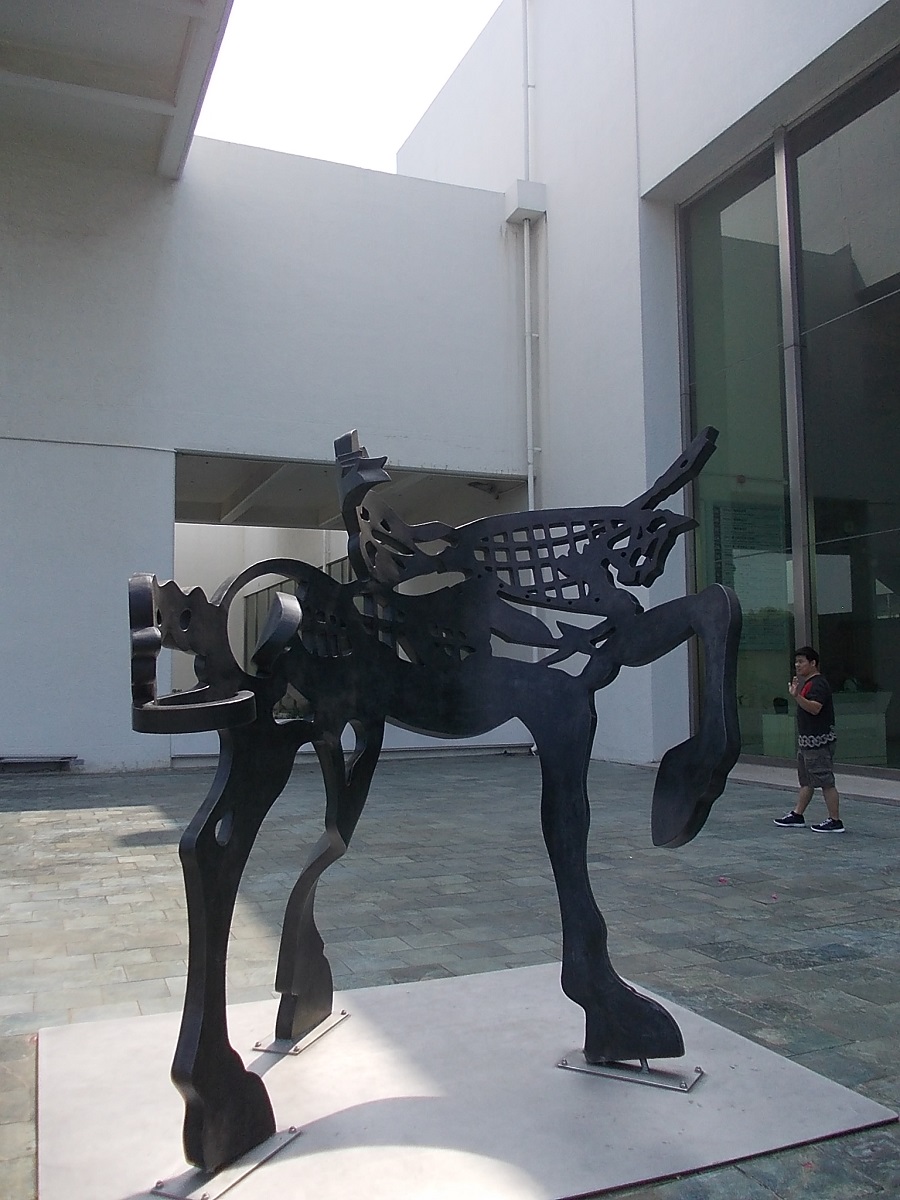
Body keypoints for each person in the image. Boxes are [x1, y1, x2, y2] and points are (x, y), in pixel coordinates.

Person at [774, 646, 844, 832]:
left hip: (819, 742)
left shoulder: (818, 684)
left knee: (825, 781)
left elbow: (815, 708)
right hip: (807, 742)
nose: (797, 665)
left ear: (813, 663)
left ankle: (835, 820)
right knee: (806, 781)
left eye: (801, 662)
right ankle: (797, 814)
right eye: (796, 662)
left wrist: (797, 696)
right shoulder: (808, 683)